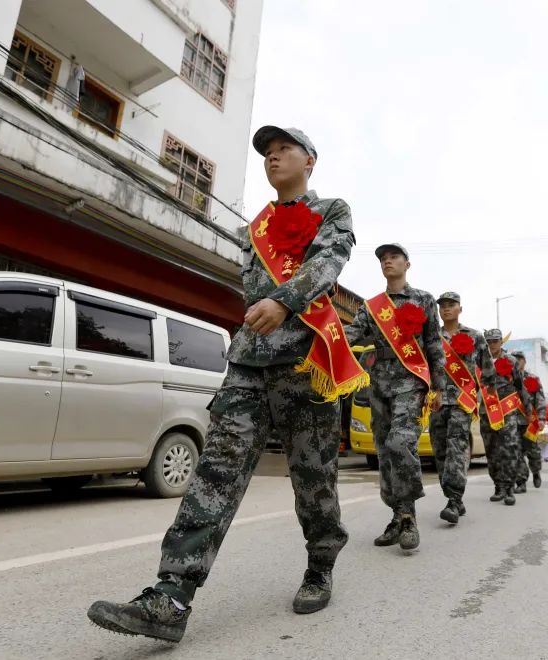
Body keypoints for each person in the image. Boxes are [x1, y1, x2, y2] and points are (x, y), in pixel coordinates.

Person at [87, 126, 360, 642]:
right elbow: (250, 290)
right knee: (216, 474)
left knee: (314, 480)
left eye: (284, 150)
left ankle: (321, 563)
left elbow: (328, 265)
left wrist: (283, 301)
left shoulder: (333, 211)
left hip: (307, 362)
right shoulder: (255, 225)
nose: (273, 158)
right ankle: (170, 597)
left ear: (311, 160)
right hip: (250, 363)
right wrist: (263, 315)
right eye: (268, 153)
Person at [345, 243, 447, 550]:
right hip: (379, 384)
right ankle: (399, 514)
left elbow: (433, 345)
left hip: (411, 382)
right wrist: (324, 338)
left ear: (407, 264)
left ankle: (408, 519)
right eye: (383, 259)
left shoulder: (424, 300)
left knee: (400, 443)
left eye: (394, 257)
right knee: (384, 452)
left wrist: (439, 386)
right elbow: (353, 333)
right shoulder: (373, 305)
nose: (388, 262)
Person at [430, 291, 493, 524]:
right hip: (436, 402)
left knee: (457, 448)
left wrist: (480, 394)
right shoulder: (432, 336)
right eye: (442, 305)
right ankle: (453, 496)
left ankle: (454, 501)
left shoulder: (475, 336)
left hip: (461, 402)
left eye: (451, 305)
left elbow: (487, 371)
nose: (446, 309)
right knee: (441, 453)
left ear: (460, 309)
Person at [480, 329, 527, 505]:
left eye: (495, 341)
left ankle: (509, 488)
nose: (492, 344)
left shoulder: (511, 361)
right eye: (489, 341)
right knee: (491, 450)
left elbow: (519, 385)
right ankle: (498, 486)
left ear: (501, 342)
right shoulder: (479, 360)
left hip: (507, 411)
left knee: (510, 448)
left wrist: (528, 410)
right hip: (487, 411)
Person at [515, 355, 547, 491]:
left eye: (519, 359)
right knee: (516, 451)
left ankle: (536, 471)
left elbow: (539, 399)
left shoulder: (532, 378)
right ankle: (521, 482)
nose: (516, 362)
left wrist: (541, 417)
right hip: (513, 421)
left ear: (524, 361)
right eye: (514, 359)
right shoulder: (507, 378)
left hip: (530, 421)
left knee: (533, 451)